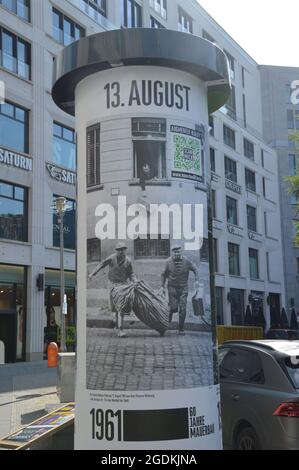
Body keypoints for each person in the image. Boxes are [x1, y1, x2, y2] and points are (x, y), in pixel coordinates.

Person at [88, 243, 136, 337]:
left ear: (125, 250)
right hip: (112, 284)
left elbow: (131, 274)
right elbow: (102, 264)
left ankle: (120, 329)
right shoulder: (112, 258)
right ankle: (115, 320)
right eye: (119, 250)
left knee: (121, 307)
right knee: (114, 307)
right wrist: (92, 273)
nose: (121, 252)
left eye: (123, 249)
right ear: (116, 250)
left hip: (123, 285)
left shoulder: (128, 261)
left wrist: (135, 281)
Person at [161, 245, 200, 335]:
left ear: (181, 252)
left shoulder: (186, 261)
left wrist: (197, 281)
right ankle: (166, 323)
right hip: (172, 288)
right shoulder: (168, 262)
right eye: (175, 252)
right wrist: (162, 286)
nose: (176, 254)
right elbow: (163, 274)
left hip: (183, 288)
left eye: (178, 252)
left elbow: (195, 269)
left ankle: (181, 328)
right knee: (173, 308)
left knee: (183, 309)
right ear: (172, 253)